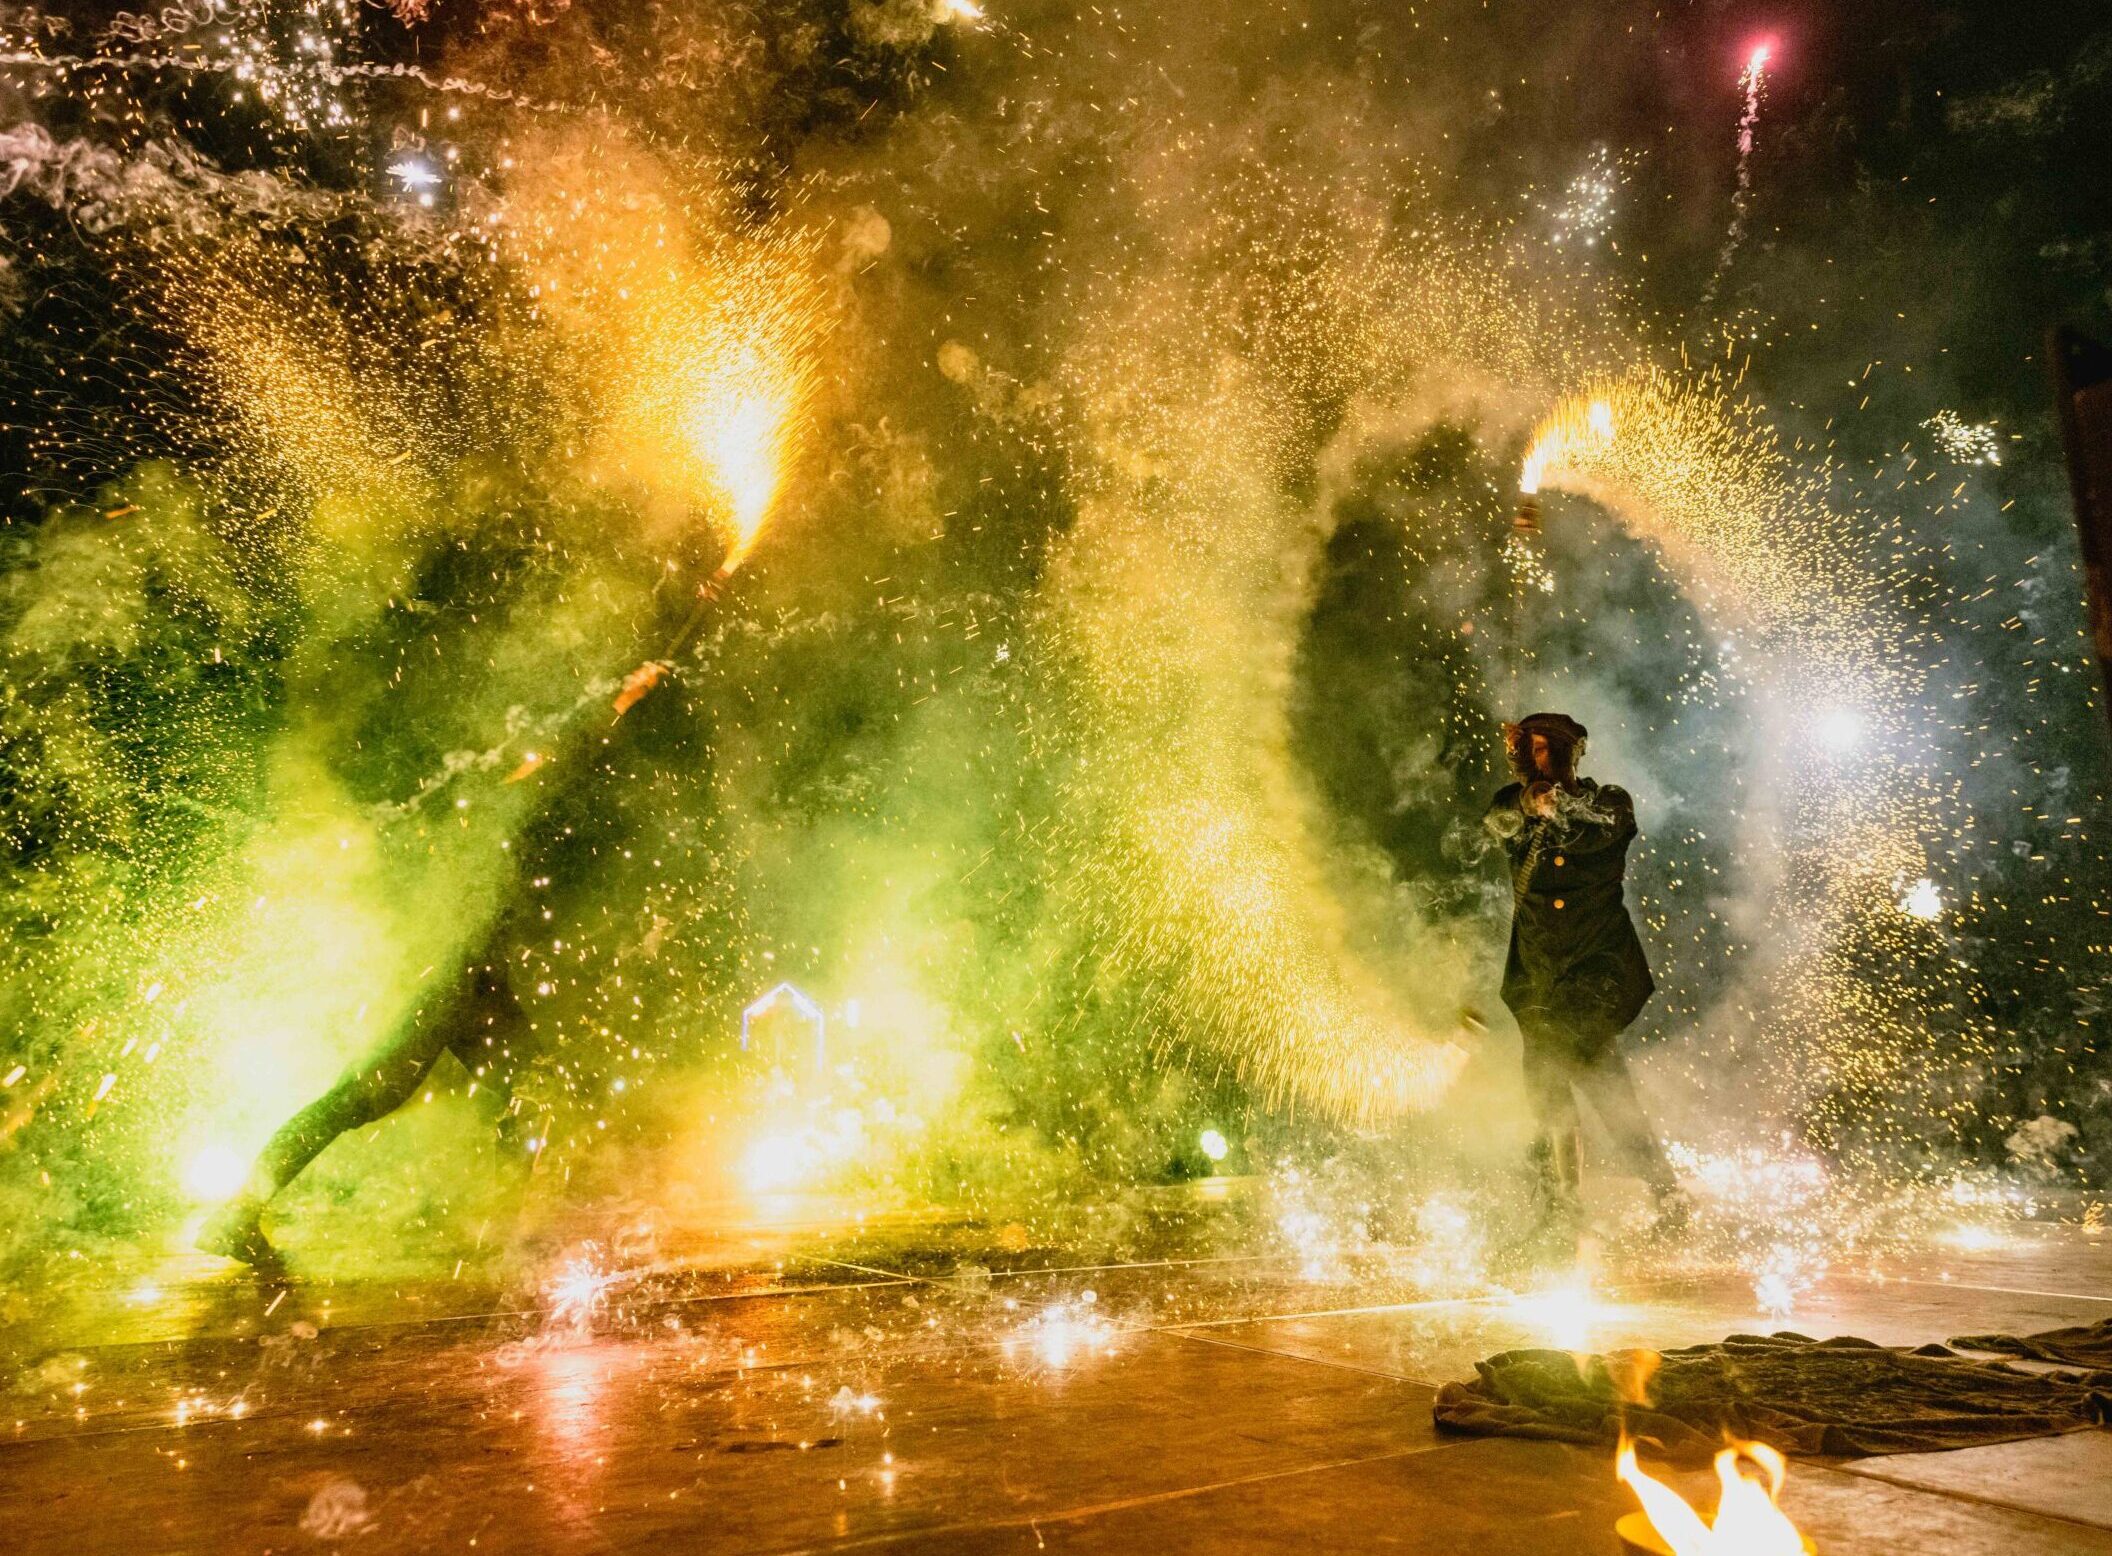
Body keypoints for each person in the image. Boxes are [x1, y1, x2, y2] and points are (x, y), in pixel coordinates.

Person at [196, 922, 537, 1266]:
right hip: (459, 977)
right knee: (352, 1101)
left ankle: (506, 1229)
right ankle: (239, 1213)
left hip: (462, 974)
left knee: (532, 1088)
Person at [1483, 712, 1684, 1232]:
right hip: (1537, 976)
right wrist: (1527, 802)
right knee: (1569, 1089)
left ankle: (1588, 1204)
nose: (1539, 759)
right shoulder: (1514, 805)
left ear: (1573, 752)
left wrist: (1558, 807)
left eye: (1547, 749)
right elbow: (1496, 821)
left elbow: (1602, 827)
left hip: (1596, 970)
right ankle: (1573, 1203)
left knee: (1574, 1079)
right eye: (1531, 749)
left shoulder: (1608, 802)